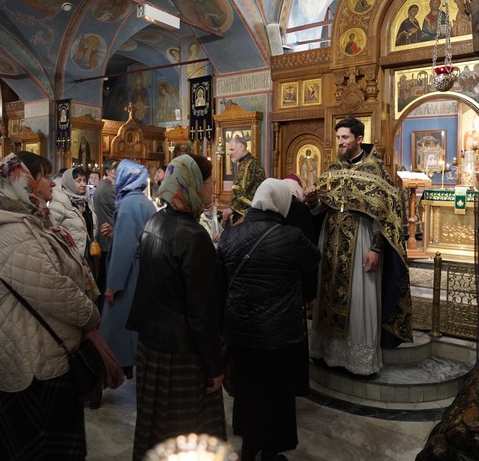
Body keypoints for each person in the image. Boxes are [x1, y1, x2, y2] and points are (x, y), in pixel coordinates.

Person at [0, 152, 101, 459]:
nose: (52, 184)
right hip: (31, 359)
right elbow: (53, 290)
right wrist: (91, 315)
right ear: (24, 182)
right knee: (34, 447)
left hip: (43, 352)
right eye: (44, 176)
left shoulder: (32, 220)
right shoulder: (12, 232)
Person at [127, 154, 226, 456]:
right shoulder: (194, 236)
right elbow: (201, 313)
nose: (212, 188)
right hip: (182, 354)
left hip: (151, 348)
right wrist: (214, 366)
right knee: (187, 435)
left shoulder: (154, 222)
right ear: (192, 184)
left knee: (155, 428)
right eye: (208, 182)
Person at [218, 179, 320, 461]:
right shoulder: (291, 236)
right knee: (278, 395)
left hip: (241, 331)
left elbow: (220, 282)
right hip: (280, 332)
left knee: (247, 392)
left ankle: (249, 449)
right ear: (281, 203)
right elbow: (314, 259)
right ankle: (271, 454)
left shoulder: (230, 235)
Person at [305, 118, 412, 376]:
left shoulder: (375, 170)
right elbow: (320, 209)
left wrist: (376, 248)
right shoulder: (333, 168)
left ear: (359, 139)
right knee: (328, 295)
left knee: (358, 300)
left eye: (345, 138)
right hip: (330, 242)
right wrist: (312, 201)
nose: (340, 142)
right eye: (338, 138)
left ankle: (358, 361)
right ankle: (327, 353)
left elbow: (385, 216)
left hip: (361, 240)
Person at [100, 160, 156, 381]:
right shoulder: (144, 202)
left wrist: (113, 286)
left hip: (130, 276)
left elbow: (124, 249)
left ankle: (115, 370)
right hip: (143, 271)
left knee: (116, 330)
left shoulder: (128, 205)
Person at [49, 166, 96, 268]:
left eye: (84, 180)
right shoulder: (60, 203)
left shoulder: (86, 201)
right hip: (71, 257)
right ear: (69, 182)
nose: (83, 184)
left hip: (89, 254)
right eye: (79, 181)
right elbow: (51, 231)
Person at [222, 136, 266, 226]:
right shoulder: (243, 164)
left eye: (232, 149)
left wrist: (232, 208)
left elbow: (252, 191)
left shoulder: (253, 164)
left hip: (248, 216)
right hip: (239, 213)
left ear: (242, 147)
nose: (230, 153)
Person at [93, 159, 119, 313]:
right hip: (109, 237)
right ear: (108, 171)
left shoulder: (102, 186)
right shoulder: (110, 189)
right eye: (116, 169)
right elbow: (120, 209)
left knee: (103, 278)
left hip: (104, 238)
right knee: (107, 280)